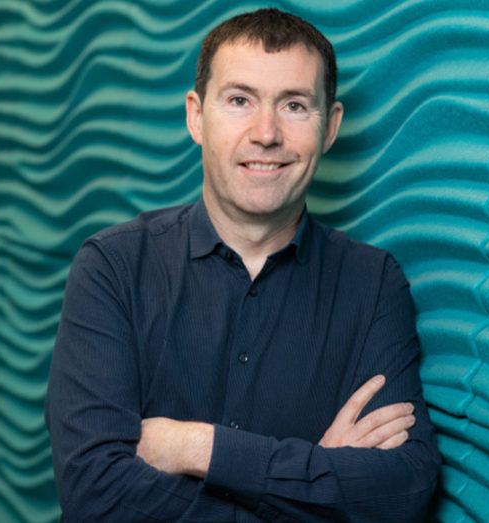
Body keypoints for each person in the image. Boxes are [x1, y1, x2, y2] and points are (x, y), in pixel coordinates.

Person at [45, 8, 440, 522]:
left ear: (330, 127)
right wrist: (317, 477)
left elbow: (402, 490)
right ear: (195, 116)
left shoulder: (372, 283)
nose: (266, 133)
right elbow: (95, 493)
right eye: (239, 101)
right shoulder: (114, 267)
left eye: (295, 105)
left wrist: (198, 447)